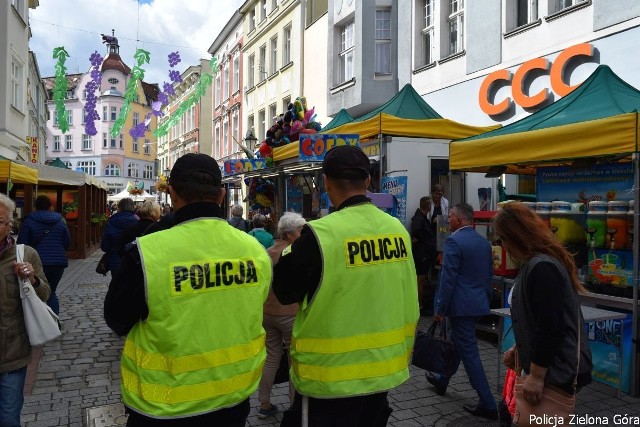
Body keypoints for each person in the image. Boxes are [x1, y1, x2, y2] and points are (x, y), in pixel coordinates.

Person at [104, 153, 272, 426]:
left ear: (171, 194)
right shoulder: (255, 250)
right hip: (232, 397)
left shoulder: (146, 253)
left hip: (164, 405)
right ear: (220, 195)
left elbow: (117, 320)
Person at [271, 145, 419, 426]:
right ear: (367, 181)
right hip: (384, 371)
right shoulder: (397, 230)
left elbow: (285, 291)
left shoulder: (319, 235)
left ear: (326, 182)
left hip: (330, 380)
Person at [494, 203, 592, 409]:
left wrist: (536, 376)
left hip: (556, 373)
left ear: (516, 236)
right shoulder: (535, 263)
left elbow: (551, 327)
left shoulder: (542, 266)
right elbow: (537, 319)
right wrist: (519, 347)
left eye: (502, 239)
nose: (502, 245)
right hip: (551, 368)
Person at [428, 202, 498, 420]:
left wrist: (440, 308)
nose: (448, 220)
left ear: (458, 219)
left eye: (450, 217)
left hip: (459, 307)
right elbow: (488, 276)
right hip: (477, 305)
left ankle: (488, 403)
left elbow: (447, 279)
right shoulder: (483, 243)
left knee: (469, 353)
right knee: (457, 343)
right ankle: (442, 379)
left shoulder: (454, 241)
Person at [0, 193, 50, 427]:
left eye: (0, 221)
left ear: (10, 225)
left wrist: (32, 280)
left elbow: (45, 294)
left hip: (11, 354)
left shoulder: (25, 254)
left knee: (8, 419)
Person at [257, 212, 306, 419]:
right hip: (289, 313)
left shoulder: (267, 253)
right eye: (300, 231)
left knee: (270, 358)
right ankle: (294, 406)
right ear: (289, 234)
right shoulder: (295, 253)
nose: (303, 234)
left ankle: (264, 404)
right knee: (294, 359)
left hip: (267, 313)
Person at [17, 195, 70, 315]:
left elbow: (21, 244)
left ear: (35, 207)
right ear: (51, 207)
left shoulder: (29, 221)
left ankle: (41, 323)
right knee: (51, 292)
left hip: (36, 263)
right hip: (58, 263)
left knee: (38, 291)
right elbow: (67, 243)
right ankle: (54, 321)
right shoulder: (60, 221)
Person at [410, 196, 437, 312]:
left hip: (424, 253)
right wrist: (424, 240)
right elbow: (416, 232)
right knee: (419, 280)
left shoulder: (422, 218)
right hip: (421, 254)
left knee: (420, 279)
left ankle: (420, 304)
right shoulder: (418, 218)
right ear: (428, 206)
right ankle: (419, 305)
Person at [100, 197, 137, 274]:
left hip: (115, 259)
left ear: (119, 208)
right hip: (133, 260)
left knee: (116, 283)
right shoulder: (137, 221)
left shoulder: (111, 221)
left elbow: (105, 246)